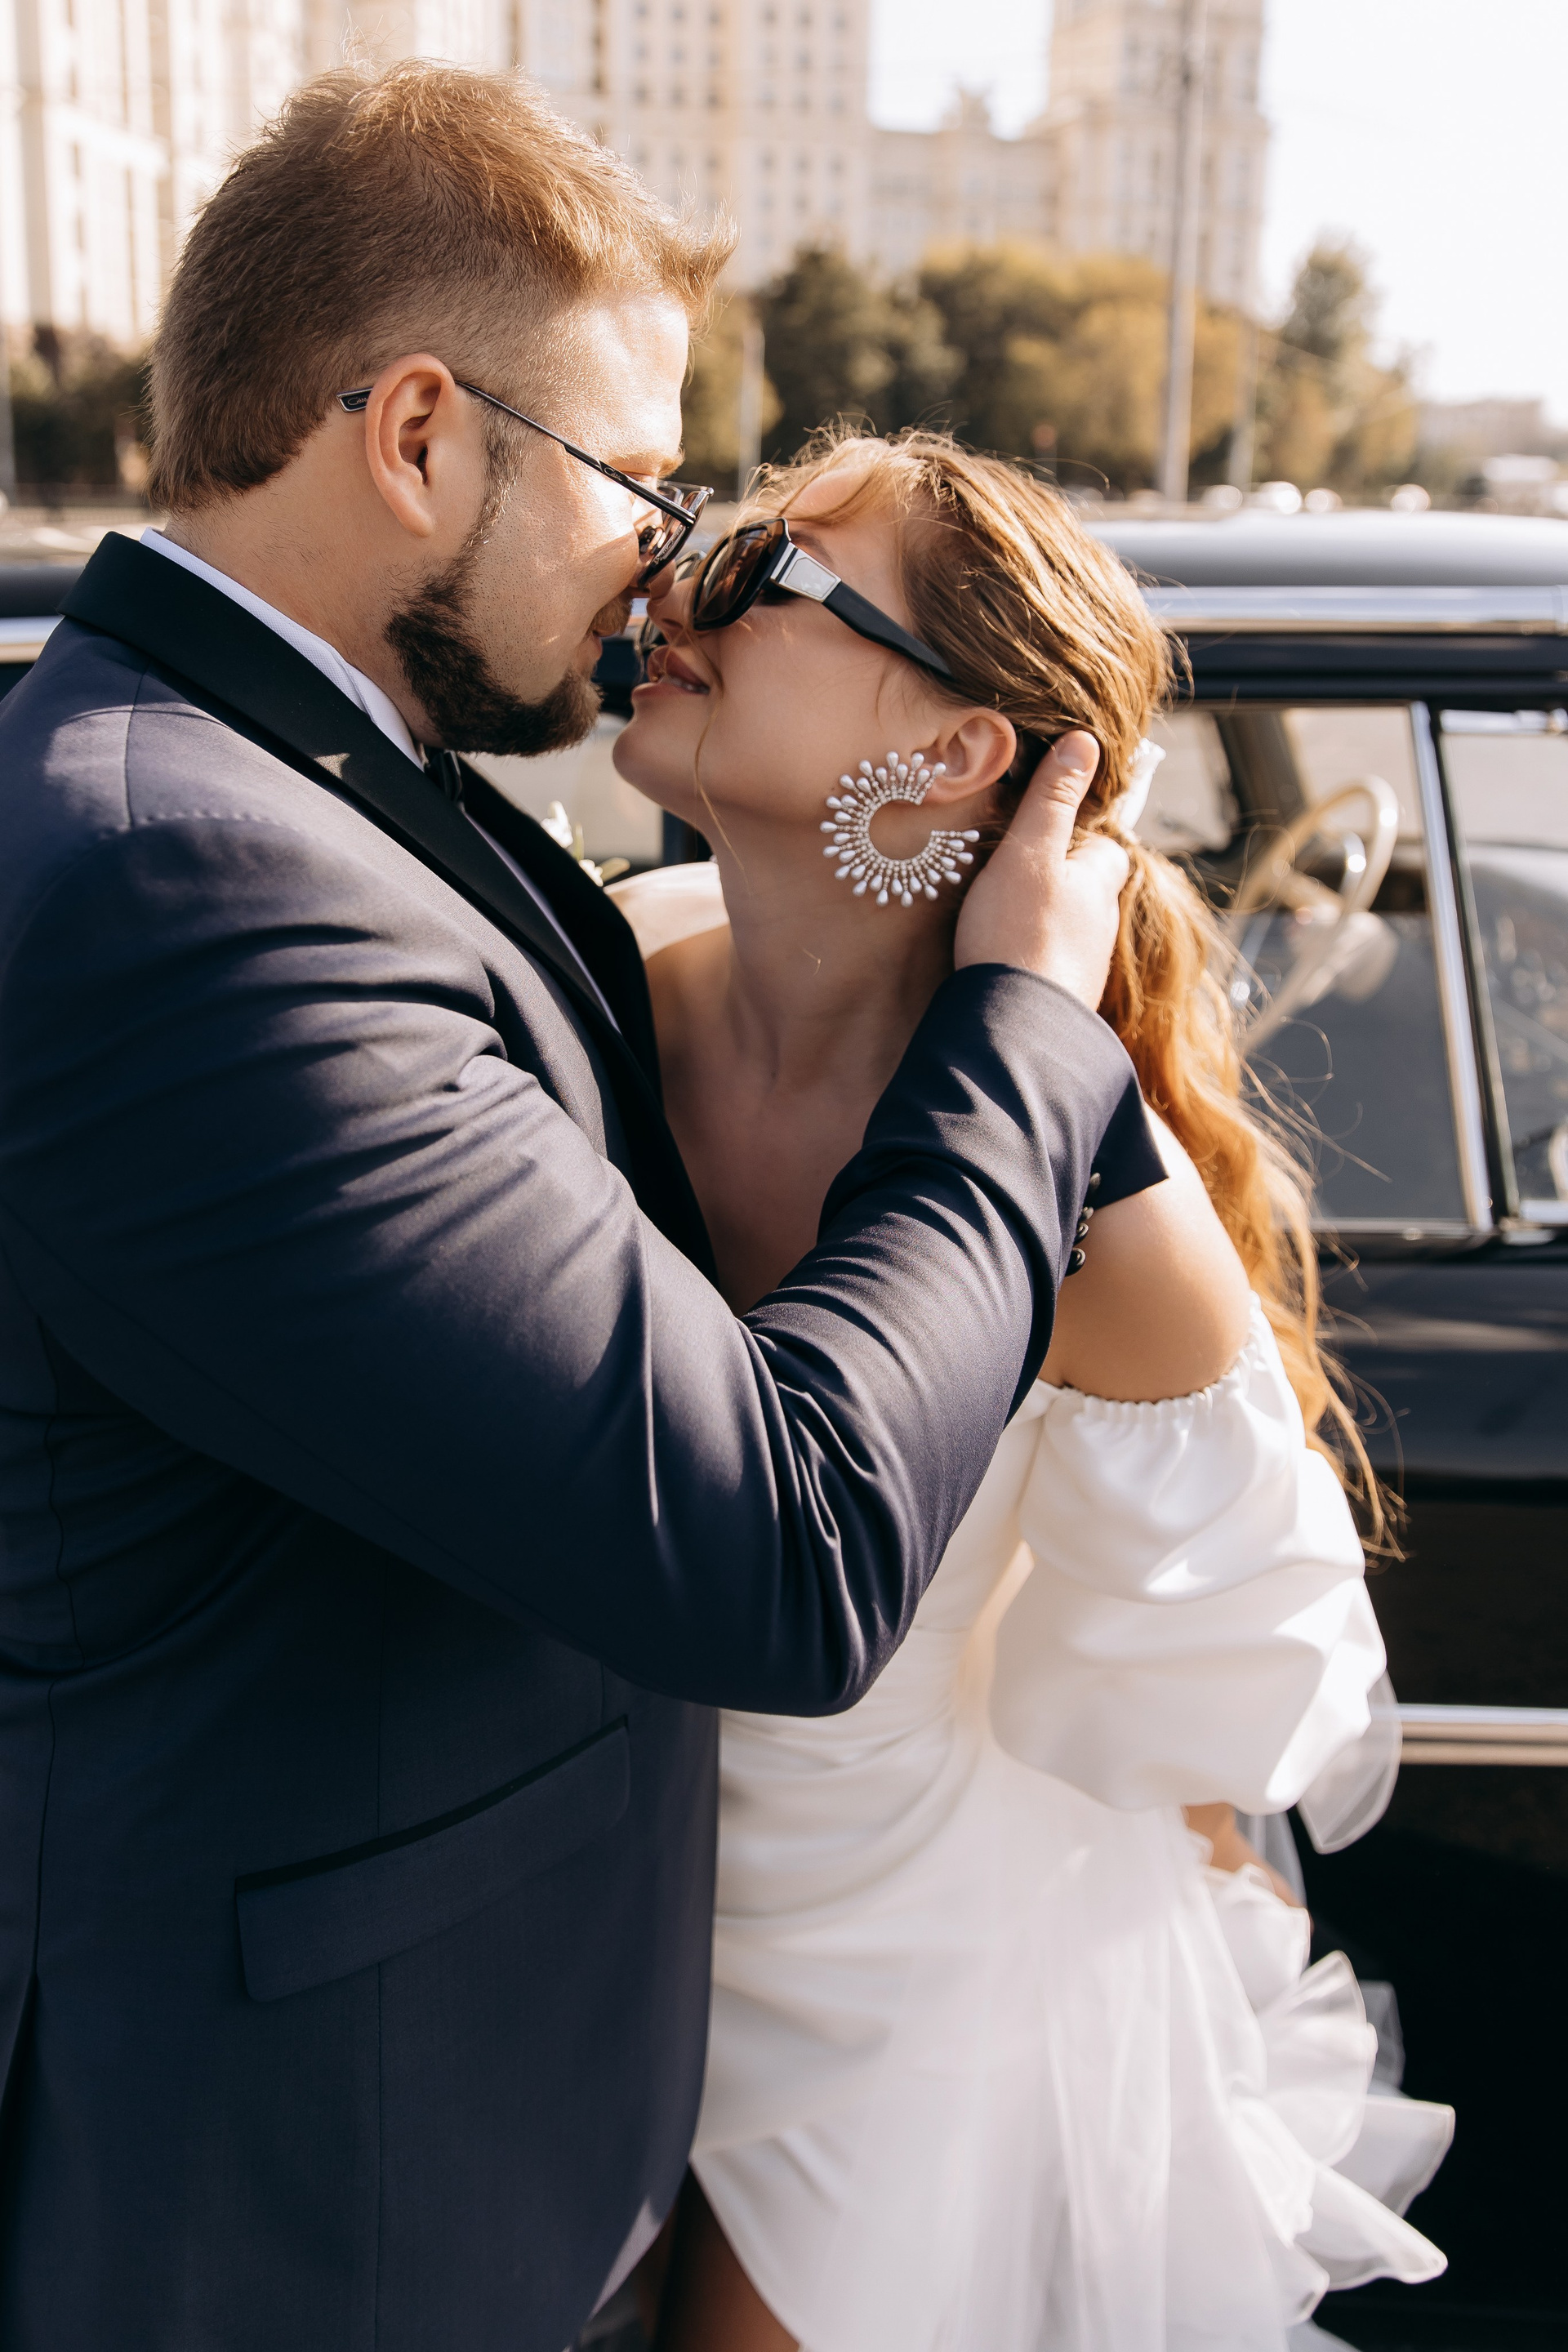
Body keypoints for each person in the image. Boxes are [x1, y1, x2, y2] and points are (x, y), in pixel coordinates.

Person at [0, 70, 1160, 2352]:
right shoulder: (193, 885)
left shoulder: (307, 783)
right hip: (319, 2217)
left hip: (472, 2138)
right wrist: (1024, 1022)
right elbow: (785, 1549)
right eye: (638, 479)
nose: (666, 559)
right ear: (421, 436)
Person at [607, 430, 1454, 2351]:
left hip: (899, 1991)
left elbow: (1223, 1706)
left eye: (760, 578)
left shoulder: (1105, 1231)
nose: (673, 595)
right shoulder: (603, 984)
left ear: (957, 749)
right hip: (582, 1900)